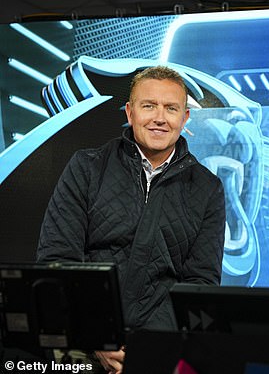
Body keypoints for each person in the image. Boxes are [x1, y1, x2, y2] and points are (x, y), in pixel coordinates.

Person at [37, 66, 226, 374]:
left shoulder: (207, 189)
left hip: (159, 348)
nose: (160, 118)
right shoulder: (86, 168)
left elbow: (199, 285)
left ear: (185, 118)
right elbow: (57, 261)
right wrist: (99, 337)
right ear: (130, 111)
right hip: (83, 343)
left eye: (171, 108)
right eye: (148, 105)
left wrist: (145, 347)